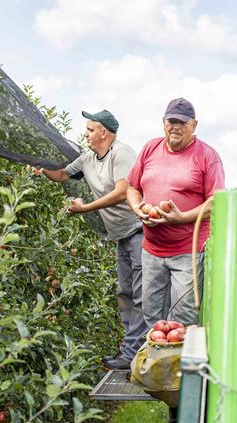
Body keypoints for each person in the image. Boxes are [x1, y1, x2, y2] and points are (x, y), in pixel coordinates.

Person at [126, 97, 225, 423]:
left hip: (188, 251)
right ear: (163, 123)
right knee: (154, 322)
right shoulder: (150, 148)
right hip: (152, 249)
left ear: (194, 125)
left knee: (181, 329)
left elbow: (215, 201)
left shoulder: (206, 156)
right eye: (171, 121)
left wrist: (181, 216)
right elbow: (133, 186)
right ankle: (162, 390)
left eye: (182, 122)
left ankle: (180, 417)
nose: (175, 127)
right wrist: (140, 208)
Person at [35, 109, 148, 370]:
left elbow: (122, 192)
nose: (85, 134)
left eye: (90, 130)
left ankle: (134, 354)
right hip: (121, 235)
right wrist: (41, 169)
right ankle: (132, 352)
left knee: (142, 295)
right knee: (125, 293)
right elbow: (63, 174)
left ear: (104, 133)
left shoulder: (122, 153)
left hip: (140, 232)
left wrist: (85, 207)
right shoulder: (87, 159)